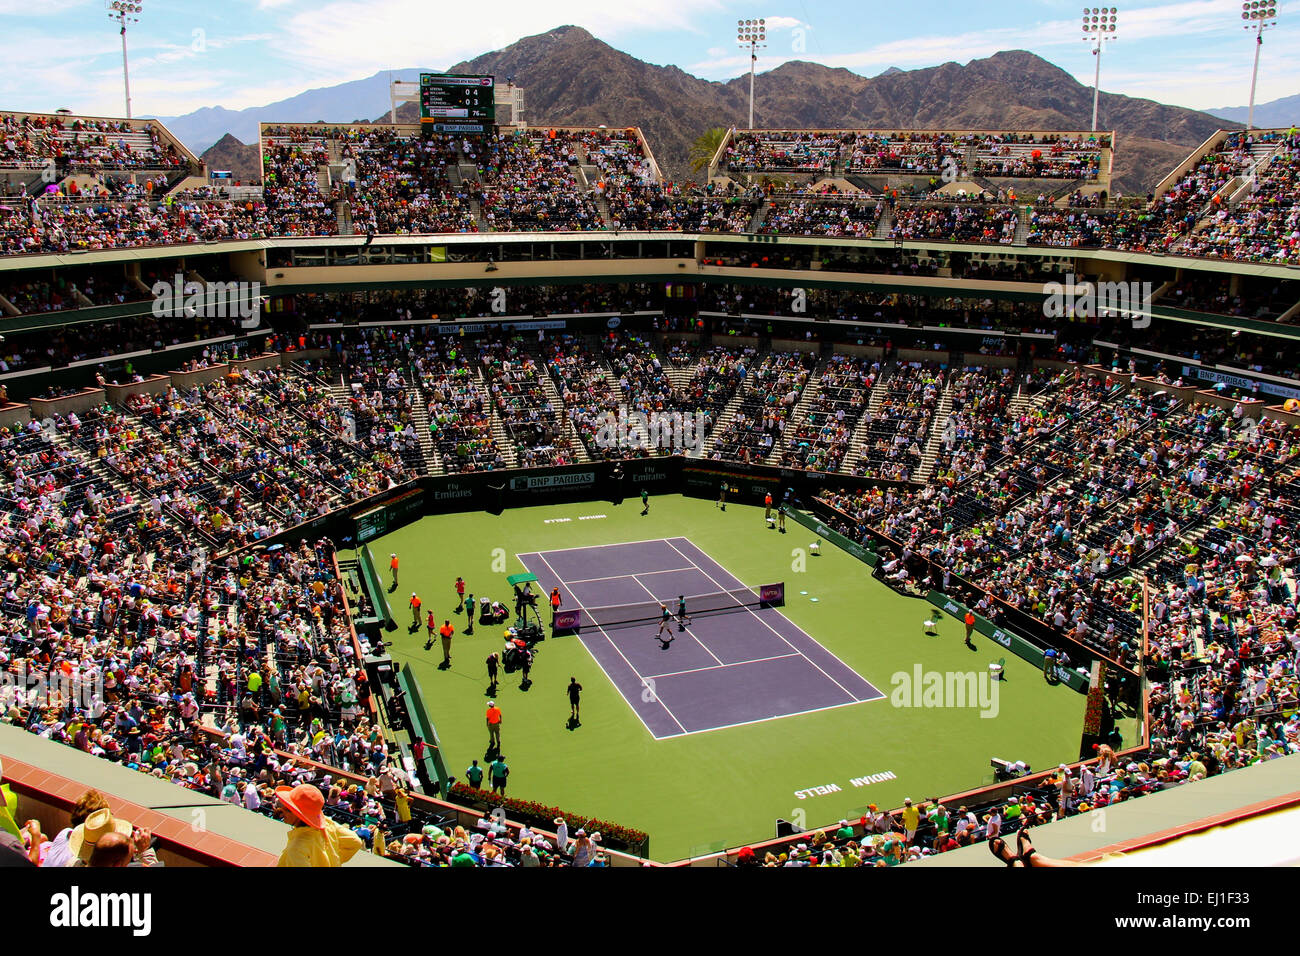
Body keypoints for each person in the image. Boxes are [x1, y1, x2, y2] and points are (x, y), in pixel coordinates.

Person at [274, 784, 363, 867]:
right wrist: (333, 862)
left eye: (288, 808)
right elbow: (355, 842)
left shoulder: (296, 848)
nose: (282, 810)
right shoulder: (327, 825)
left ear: (299, 814)